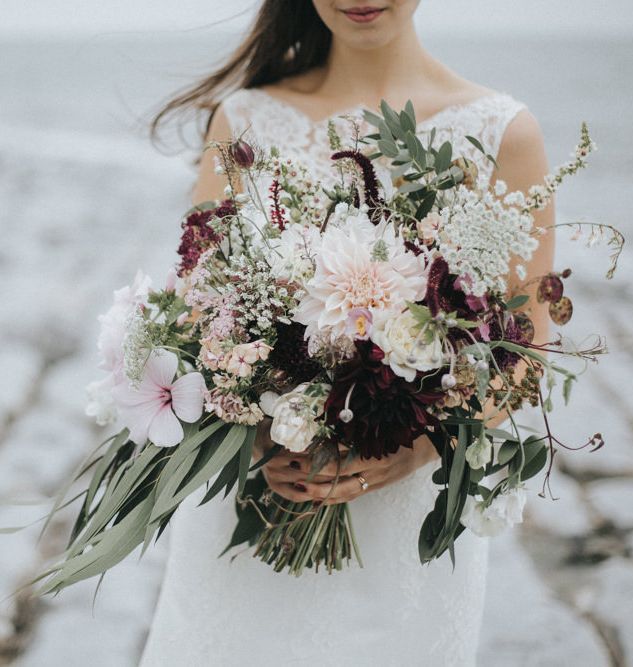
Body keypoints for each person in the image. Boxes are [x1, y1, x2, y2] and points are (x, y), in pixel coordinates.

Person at [140, 2, 555, 665]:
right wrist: (255, 423)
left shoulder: (501, 131)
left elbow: (523, 352)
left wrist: (413, 451)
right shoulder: (243, 119)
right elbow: (199, 308)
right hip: (263, 486)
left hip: (403, 514)